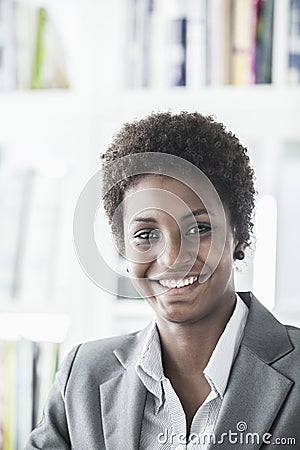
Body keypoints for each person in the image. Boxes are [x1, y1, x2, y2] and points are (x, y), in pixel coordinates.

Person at [26, 112, 300, 449]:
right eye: (145, 234)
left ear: (238, 233)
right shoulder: (82, 376)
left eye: (198, 229)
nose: (172, 259)